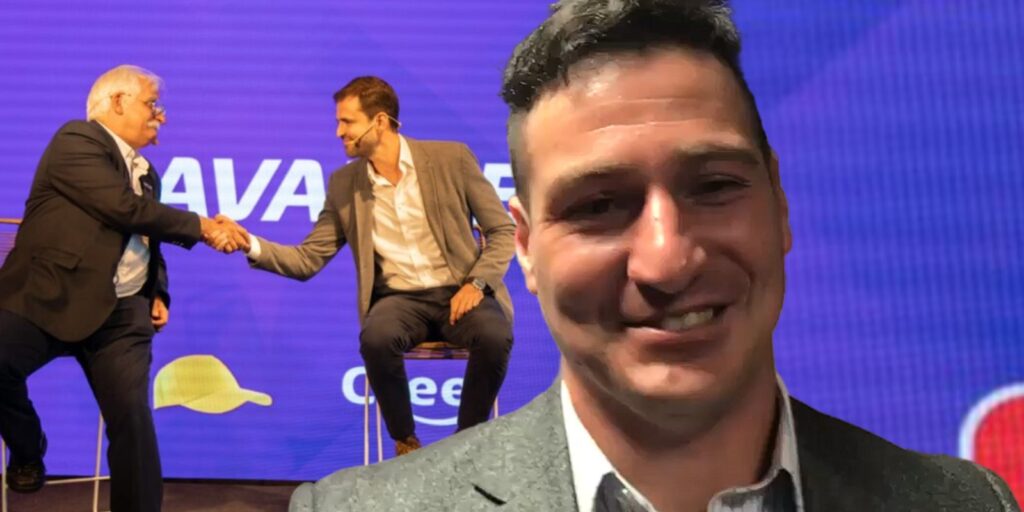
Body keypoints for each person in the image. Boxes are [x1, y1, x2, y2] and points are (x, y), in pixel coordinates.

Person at [287, 2, 1021, 511]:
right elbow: (316, 251)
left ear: (780, 206)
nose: (666, 261)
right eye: (598, 205)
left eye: (715, 185)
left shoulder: (967, 504)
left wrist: (477, 284)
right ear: (532, 250)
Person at [222, 76, 515, 455]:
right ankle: (406, 443)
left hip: (460, 290)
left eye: (347, 122)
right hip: (399, 300)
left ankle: (467, 443)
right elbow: (307, 259)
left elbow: (502, 230)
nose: (338, 132)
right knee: (376, 339)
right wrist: (250, 243)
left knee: (494, 336)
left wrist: (477, 284)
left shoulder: (451, 159)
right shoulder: (344, 184)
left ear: (379, 122)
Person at [0, 65, 246, 512]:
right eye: (152, 104)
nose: (161, 116)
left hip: (121, 314)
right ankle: (28, 445)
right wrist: (203, 226)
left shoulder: (147, 172)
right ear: (117, 102)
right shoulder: (76, 139)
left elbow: (145, 235)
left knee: (132, 419)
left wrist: (158, 290)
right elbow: (121, 208)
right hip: (47, 297)